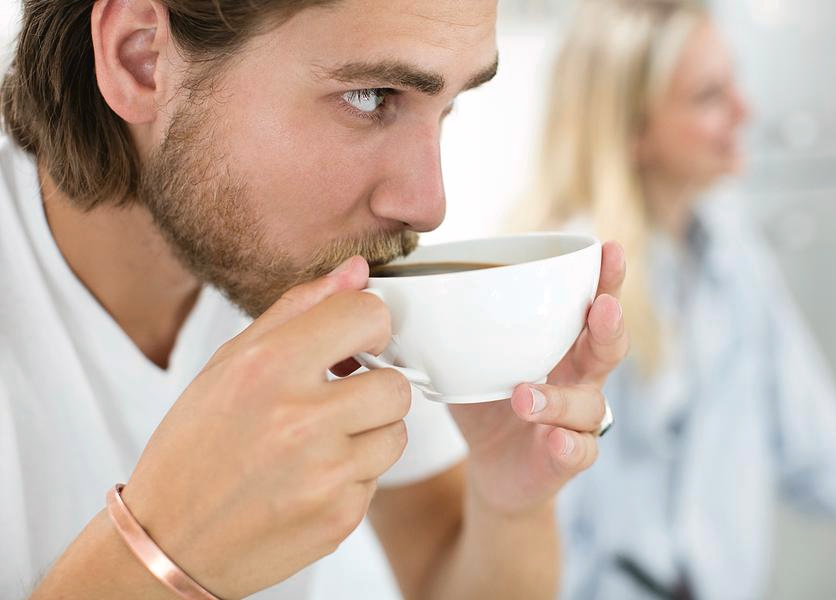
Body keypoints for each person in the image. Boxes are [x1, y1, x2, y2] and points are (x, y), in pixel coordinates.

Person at [0, 1, 629, 599]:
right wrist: (165, 552)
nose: (427, 205)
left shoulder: (320, 269)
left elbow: (444, 573)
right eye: (370, 97)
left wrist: (507, 506)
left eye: (447, 106)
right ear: (141, 57)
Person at [515, 0, 836, 598]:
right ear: (634, 129)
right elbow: (539, 513)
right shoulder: (568, 289)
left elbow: (806, 419)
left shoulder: (727, 242)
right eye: (709, 96)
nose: (745, 111)